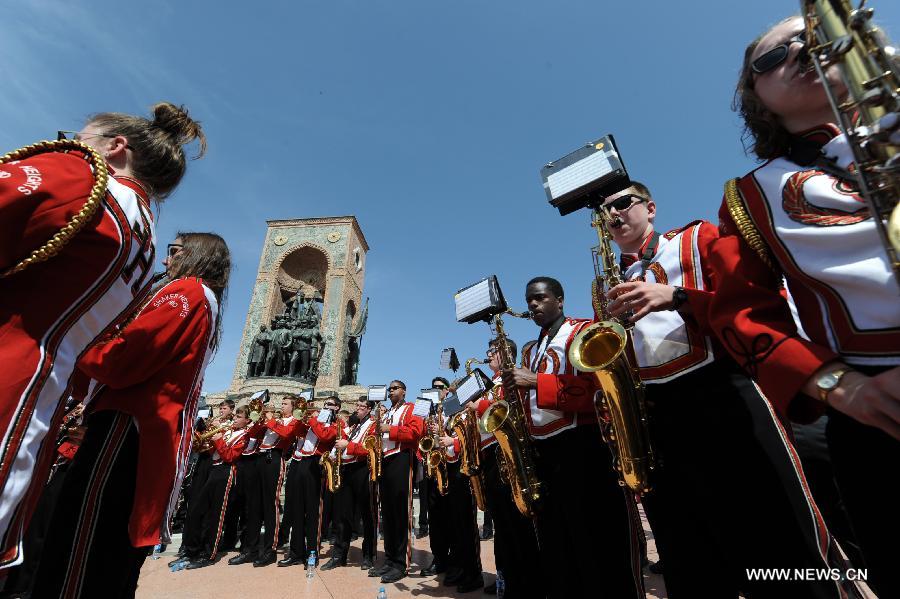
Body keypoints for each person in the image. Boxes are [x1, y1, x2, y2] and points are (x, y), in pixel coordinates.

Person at [708, 16, 900, 597]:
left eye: (811, 34)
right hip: (880, 411)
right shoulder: (750, 194)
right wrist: (841, 387)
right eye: (773, 55)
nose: (799, 48)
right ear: (756, 97)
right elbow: (741, 313)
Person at [601, 181, 863, 598]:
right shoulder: (608, 282)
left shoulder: (696, 236)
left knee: (774, 539)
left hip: (722, 394)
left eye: (621, 204)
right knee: (690, 553)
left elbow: (755, 302)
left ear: (650, 208)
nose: (611, 216)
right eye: (603, 212)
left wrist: (678, 297)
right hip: (656, 418)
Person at [0, 102, 206, 568]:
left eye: (80, 137)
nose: (72, 143)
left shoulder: (86, 178)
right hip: (35, 401)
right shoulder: (145, 240)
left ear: (115, 148)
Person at [29, 232, 228, 596]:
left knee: (84, 538)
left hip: (126, 423)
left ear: (196, 255)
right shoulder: (197, 297)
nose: (166, 261)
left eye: (174, 252)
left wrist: (81, 348)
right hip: (135, 425)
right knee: (106, 545)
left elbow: (125, 358)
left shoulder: (185, 292)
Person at [502, 277, 644, 599]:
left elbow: (598, 391)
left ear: (560, 300)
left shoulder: (582, 331)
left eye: (540, 298)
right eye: (529, 302)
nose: (533, 306)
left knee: (600, 540)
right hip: (544, 452)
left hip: (584, 446)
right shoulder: (532, 349)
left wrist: (537, 382)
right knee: (559, 546)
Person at [366, 380, 425, 584]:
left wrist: (388, 428)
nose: (391, 391)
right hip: (384, 461)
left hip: (401, 458)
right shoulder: (387, 411)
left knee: (400, 512)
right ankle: (390, 560)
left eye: (395, 388)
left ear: (404, 391)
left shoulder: (412, 408)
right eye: (389, 389)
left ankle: (401, 564)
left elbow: (416, 432)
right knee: (388, 514)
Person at [277, 396, 340, 568]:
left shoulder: (336, 424)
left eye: (331, 405)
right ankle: (296, 553)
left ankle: (312, 553)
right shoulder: (314, 420)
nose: (327, 407)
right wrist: (300, 417)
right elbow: (296, 432)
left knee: (313, 512)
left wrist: (312, 418)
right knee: (296, 509)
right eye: (325, 404)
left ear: (337, 408)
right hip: (299, 463)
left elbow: (325, 436)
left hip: (315, 465)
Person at [324, 397, 378, 571]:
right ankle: (339, 555)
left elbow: (371, 449)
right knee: (343, 515)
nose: (358, 409)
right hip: (347, 470)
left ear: (369, 409)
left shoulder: (373, 425)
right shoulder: (354, 427)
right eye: (357, 406)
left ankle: (369, 555)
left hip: (363, 469)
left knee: (367, 515)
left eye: (362, 407)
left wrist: (348, 445)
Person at [251, 395, 301, 567]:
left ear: (293, 407)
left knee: (270, 506)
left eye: (285, 404)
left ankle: (270, 550)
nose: (282, 405)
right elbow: (253, 435)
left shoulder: (294, 421)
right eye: (282, 403)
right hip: (260, 458)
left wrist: (271, 420)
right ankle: (252, 548)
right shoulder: (276, 420)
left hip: (274, 459)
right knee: (255, 504)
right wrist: (259, 420)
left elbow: (287, 434)